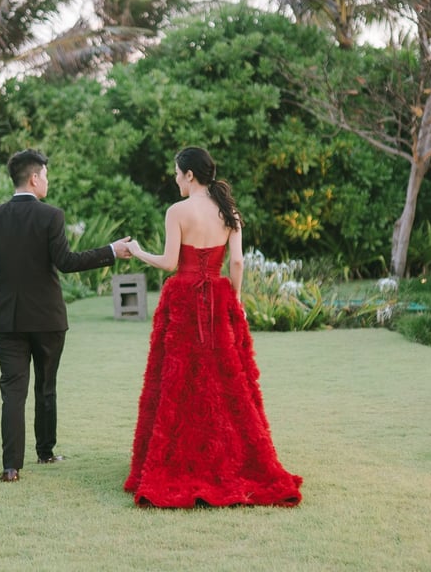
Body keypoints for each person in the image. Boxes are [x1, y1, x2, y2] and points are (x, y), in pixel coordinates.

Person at [123, 147, 302, 508]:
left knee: (180, 380)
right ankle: (229, 458)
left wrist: (139, 251)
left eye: (177, 173)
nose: (175, 179)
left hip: (184, 300)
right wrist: (234, 300)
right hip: (218, 300)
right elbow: (236, 261)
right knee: (225, 381)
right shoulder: (229, 212)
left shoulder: (178, 211)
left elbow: (170, 263)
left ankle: (181, 459)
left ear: (190, 175)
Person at [0, 149, 133, 483]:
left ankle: (11, 467)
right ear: (34, 178)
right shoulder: (51, 216)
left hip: (8, 321)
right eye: (45, 175)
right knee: (46, 386)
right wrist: (110, 251)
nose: (47, 180)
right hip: (47, 320)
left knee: (13, 391)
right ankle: (45, 452)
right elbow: (67, 262)